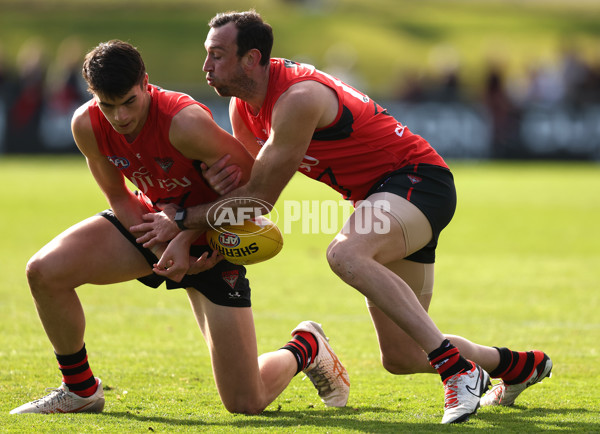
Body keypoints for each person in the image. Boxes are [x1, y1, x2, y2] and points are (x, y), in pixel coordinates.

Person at [131, 11, 552, 424]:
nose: (206, 66)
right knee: (403, 356)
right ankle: (518, 366)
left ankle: (457, 371)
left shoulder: (297, 99)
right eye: (207, 54)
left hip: (417, 182)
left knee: (345, 254)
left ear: (252, 59)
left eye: (218, 55)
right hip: (382, 199)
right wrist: (191, 228)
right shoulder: (244, 109)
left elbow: (257, 202)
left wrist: (182, 218)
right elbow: (243, 195)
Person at [10, 40, 350, 415]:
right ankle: (80, 390)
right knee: (43, 272)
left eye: (129, 102)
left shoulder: (183, 122)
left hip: (214, 235)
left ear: (146, 83)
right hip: (150, 223)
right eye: (108, 106)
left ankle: (306, 347)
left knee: (245, 402)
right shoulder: (87, 124)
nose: (120, 117)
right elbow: (119, 196)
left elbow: (256, 186)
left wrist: (187, 236)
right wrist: (161, 247)